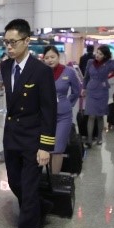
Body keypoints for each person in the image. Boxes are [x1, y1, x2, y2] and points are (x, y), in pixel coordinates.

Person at [0, 18, 57, 228]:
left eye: (13, 42)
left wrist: (45, 146)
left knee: (30, 190)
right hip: (12, 137)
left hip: (33, 140)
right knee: (15, 183)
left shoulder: (41, 71)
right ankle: (40, 208)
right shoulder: (5, 67)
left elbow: (49, 110)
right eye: (6, 43)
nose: (9, 48)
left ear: (27, 41)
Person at [42, 45, 81, 173]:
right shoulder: (41, 72)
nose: (50, 60)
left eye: (52, 57)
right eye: (46, 58)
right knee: (45, 147)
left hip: (63, 116)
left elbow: (77, 90)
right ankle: (43, 177)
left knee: (58, 148)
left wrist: (68, 104)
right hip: (45, 116)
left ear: (58, 57)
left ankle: (54, 179)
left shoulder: (69, 71)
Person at [81, 45, 114, 147]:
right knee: (91, 115)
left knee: (100, 116)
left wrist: (112, 60)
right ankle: (90, 139)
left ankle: (99, 137)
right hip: (91, 90)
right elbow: (86, 77)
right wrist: (84, 88)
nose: (98, 55)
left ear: (105, 56)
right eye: (97, 52)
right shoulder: (90, 62)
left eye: (101, 54)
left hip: (102, 90)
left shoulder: (109, 63)